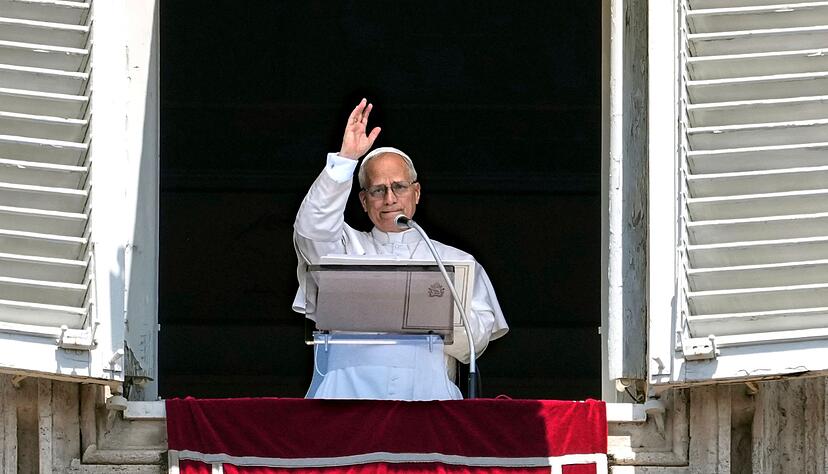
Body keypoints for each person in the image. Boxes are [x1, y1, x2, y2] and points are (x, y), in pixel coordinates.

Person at [292, 99, 508, 400]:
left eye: (399, 187)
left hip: (428, 399)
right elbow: (311, 228)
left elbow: (476, 341)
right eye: (378, 190)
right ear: (364, 201)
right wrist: (345, 160)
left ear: (416, 193)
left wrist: (429, 312)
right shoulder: (344, 250)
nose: (390, 198)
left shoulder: (454, 260)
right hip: (347, 398)